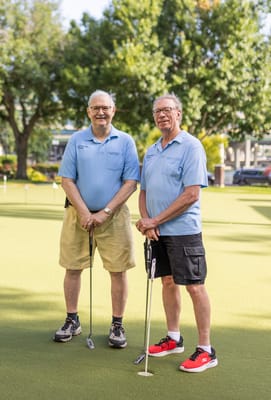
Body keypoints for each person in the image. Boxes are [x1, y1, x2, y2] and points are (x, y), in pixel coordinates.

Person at [136, 93, 218, 372]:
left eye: (167, 110)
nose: (162, 115)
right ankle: (174, 338)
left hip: (184, 231)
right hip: (158, 231)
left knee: (195, 286)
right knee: (167, 282)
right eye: (157, 111)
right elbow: (144, 190)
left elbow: (191, 194)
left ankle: (206, 349)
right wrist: (147, 220)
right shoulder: (151, 150)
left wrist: (155, 219)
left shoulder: (191, 146)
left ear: (179, 114)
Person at [54, 90, 140, 348]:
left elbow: (130, 183)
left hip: (114, 216)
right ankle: (72, 320)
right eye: (95, 108)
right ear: (88, 112)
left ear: (113, 110)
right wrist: (84, 211)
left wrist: (105, 212)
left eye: (105, 107)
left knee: (118, 270)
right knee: (72, 267)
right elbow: (66, 179)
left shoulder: (125, 141)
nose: (100, 112)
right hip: (77, 214)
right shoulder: (76, 140)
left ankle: (117, 324)